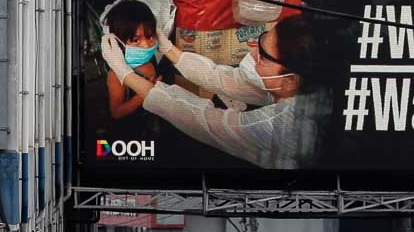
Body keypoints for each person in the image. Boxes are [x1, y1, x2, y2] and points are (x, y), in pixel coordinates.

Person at [100, 15, 327, 171]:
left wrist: (125, 73)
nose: (253, 57)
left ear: (290, 81)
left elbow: (204, 122)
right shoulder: (298, 86)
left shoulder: (280, 125)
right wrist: (168, 48)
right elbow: (220, 77)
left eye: (264, 58)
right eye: (260, 45)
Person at [104, 0, 159, 120]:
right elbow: (116, 112)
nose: (146, 45)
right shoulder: (116, 75)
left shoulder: (150, 58)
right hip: (134, 129)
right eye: (135, 40)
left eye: (150, 36)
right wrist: (148, 92)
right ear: (118, 41)